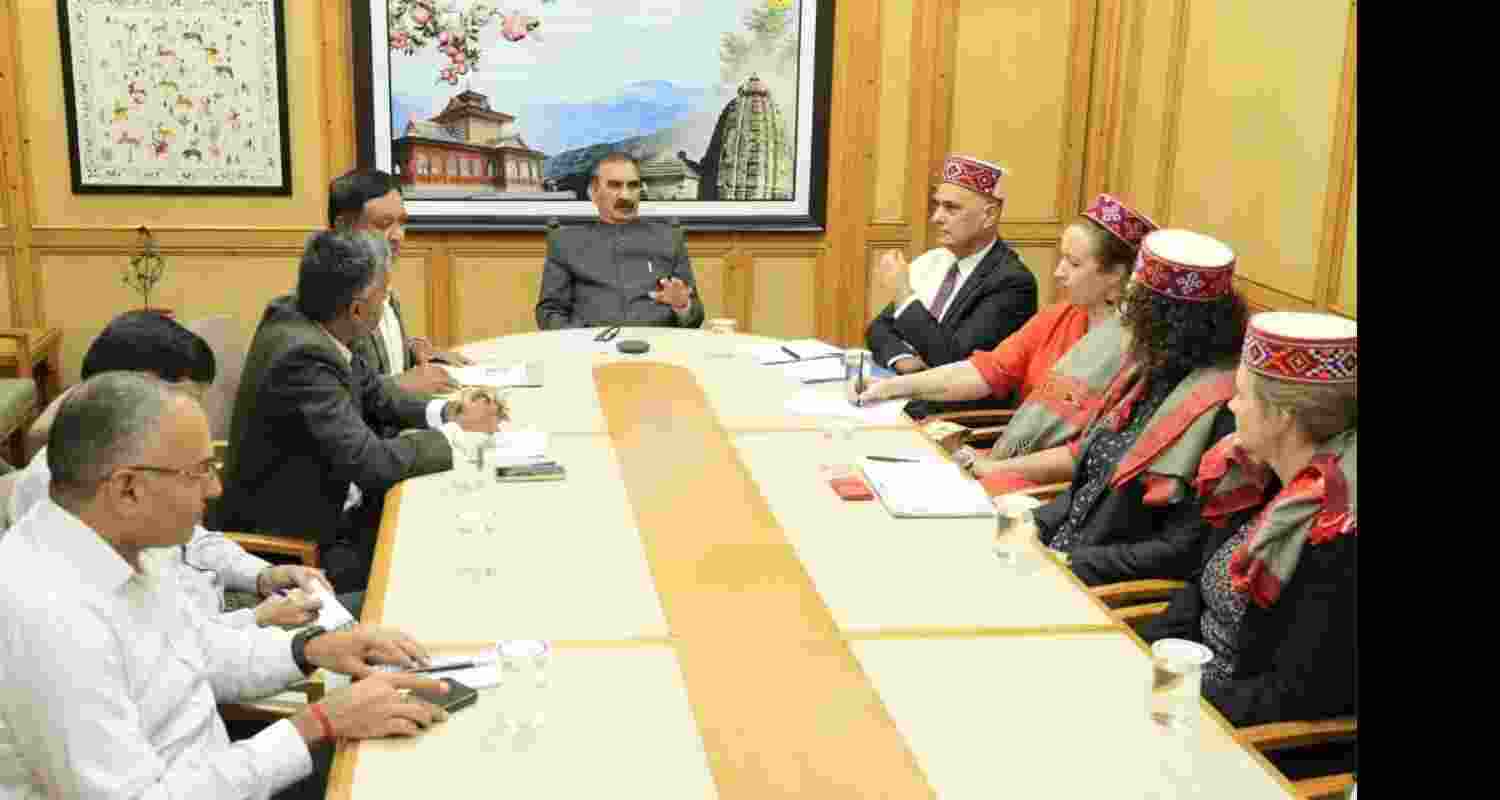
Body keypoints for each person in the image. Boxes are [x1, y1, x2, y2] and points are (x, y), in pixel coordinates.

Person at [0, 372, 452, 799]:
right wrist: (316, 723)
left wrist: (312, 649)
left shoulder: (127, 540)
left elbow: (195, 651)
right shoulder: (48, 613)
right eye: (199, 471)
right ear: (128, 490)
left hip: (223, 771)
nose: (215, 489)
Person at [212, 231, 503, 594]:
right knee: (446, 572)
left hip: (341, 513)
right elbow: (371, 461)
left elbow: (376, 393)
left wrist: (448, 412)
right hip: (306, 548)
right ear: (357, 309)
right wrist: (460, 436)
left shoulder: (309, 317)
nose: (387, 303)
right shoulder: (303, 356)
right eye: (384, 294)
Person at [5, 310, 330, 629]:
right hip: (216, 635)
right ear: (127, 394)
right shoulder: (72, 490)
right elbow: (157, 645)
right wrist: (257, 621)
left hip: (221, 613)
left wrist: (262, 576)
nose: (214, 489)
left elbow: (194, 541)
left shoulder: (143, 464)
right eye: (181, 404)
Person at [1141, 311, 1356, 779]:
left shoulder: (1338, 529)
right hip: (1190, 700)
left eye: (1241, 395)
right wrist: (1146, 654)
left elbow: (1299, 695)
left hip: (1246, 748)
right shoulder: (1261, 474)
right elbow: (1201, 585)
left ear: (1281, 416)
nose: (1232, 407)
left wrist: (1161, 693)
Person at [859, 194, 1155, 489]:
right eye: (1062, 258)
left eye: (1073, 264)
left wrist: (995, 467)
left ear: (1115, 275)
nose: (1058, 272)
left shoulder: (1136, 348)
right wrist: (890, 387)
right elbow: (984, 371)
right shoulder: (1058, 317)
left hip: (1048, 489)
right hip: (1004, 462)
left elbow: (1086, 455)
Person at [1021, 229, 1249, 585]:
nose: (1126, 316)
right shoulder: (1143, 375)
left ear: (1166, 322)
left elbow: (1181, 551)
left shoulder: (1223, 413)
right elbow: (1090, 489)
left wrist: (1068, 562)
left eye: (1137, 307)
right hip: (1055, 558)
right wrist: (1032, 522)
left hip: (1101, 588)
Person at [863, 154, 1038, 418]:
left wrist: (903, 292)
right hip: (906, 394)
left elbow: (954, 364)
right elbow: (879, 328)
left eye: (951, 208)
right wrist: (905, 363)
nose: (936, 217)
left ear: (988, 216)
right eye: (937, 206)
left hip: (952, 419)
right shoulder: (934, 261)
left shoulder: (1012, 283)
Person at [328, 168, 466, 401]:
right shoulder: (329, 303)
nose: (397, 236)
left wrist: (412, 351)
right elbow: (339, 399)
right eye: (383, 224)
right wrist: (400, 384)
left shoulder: (382, 284)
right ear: (342, 227)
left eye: (402, 223)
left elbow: (376, 362)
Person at [535, 152, 706, 329]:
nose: (626, 195)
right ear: (594, 192)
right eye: (615, 186)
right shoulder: (566, 242)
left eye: (633, 186)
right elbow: (549, 312)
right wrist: (580, 340)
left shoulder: (669, 238)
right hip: (590, 349)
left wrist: (683, 306)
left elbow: (695, 317)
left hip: (657, 348)